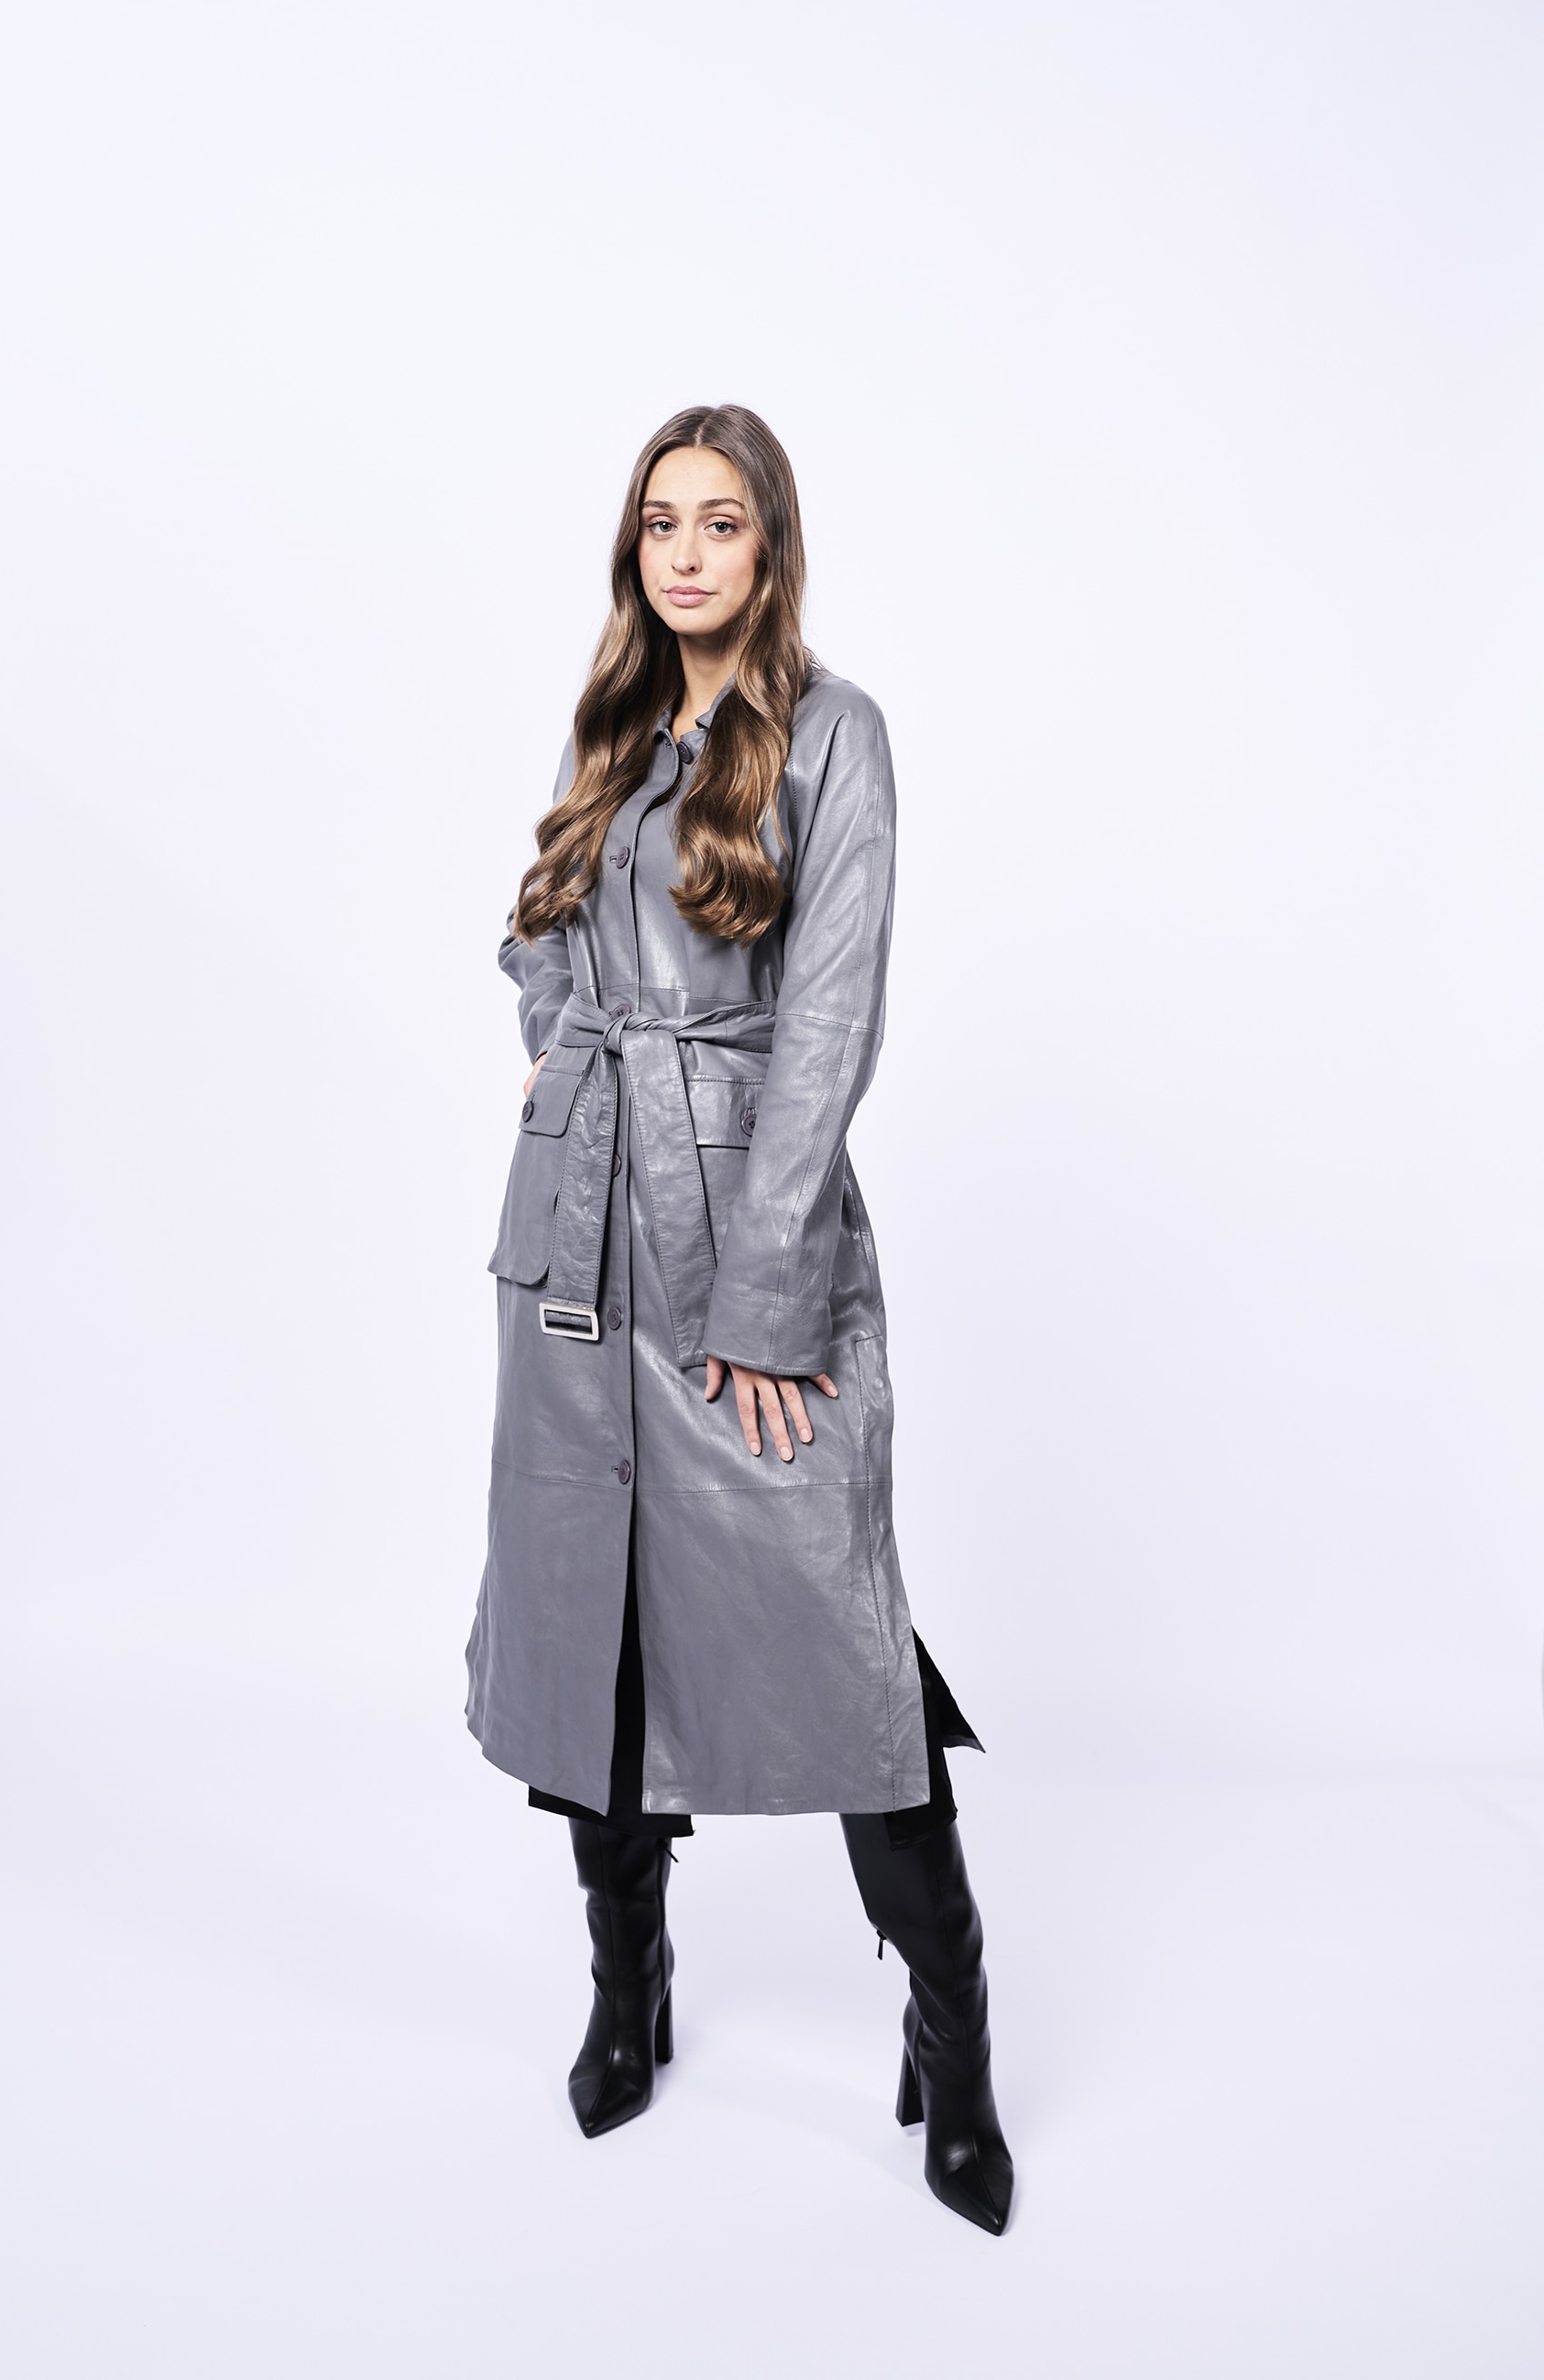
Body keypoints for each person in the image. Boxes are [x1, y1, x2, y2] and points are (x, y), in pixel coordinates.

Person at [465, 405, 1013, 2235]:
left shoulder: (834, 733)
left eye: (720, 522)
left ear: (772, 543)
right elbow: (540, 930)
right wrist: (563, 1045)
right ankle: (630, 1992)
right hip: (575, 1245)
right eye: (659, 523)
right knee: (590, 1633)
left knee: (838, 1640)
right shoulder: (615, 725)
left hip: (736, 1242)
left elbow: (831, 1019)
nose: (686, 554)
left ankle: (955, 2034)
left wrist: (769, 1302)